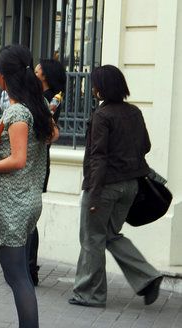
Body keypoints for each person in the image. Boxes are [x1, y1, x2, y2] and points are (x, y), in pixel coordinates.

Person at [69, 65, 163, 307]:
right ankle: (148, 276)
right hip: (131, 186)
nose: (92, 89)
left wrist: (94, 193)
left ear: (102, 88)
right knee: (109, 235)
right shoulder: (134, 112)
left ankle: (89, 294)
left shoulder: (102, 115)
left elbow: (98, 156)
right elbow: (146, 146)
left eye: (95, 84)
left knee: (92, 238)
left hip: (104, 187)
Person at [0, 45, 58, 327]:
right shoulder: (35, 108)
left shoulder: (17, 113)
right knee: (22, 277)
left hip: (12, 203)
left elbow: (17, 160)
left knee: (16, 279)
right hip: (29, 200)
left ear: (2, 76)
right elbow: (53, 134)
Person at [27, 58, 67, 286]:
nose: (35, 69)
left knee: (30, 218)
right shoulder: (39, 94)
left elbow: (44, 126)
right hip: (36, 158)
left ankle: (29, 267)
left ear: (46, 73)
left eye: (39, 66)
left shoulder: (52, 97)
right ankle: (28, 266)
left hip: (38, 160)